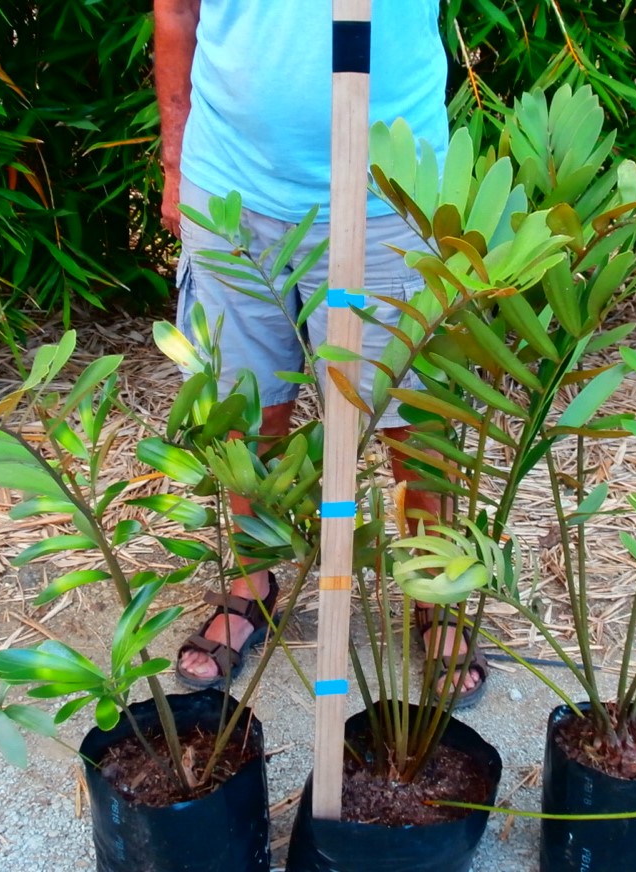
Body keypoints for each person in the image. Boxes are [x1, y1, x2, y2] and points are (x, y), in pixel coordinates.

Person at [153, 0, 487, 707]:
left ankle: (434, 590)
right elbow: (178, 10)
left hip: (394, 193)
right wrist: (176, 162)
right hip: (234, 185)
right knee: (244, 409)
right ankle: (256, 577)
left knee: (412, 412)